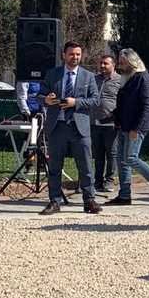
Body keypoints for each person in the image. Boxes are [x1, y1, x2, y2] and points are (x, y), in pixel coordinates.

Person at [36, 41, 102, 215]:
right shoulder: (52, 74)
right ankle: (54, 201)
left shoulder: (88, 76)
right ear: (64, 55)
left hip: (79, 128)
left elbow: (95, 100)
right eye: (72, 54)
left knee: (86, 166)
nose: (75, 57)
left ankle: (89, 200)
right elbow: (39, 96)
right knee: (55, 167)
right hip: (57, 127)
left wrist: (76, 103)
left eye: (78, 54)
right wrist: (46, 100)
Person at [104, 49, 149, 206]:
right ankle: (124, 195)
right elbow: (126, 103)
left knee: (131, 158)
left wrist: (137, 128)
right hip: (124, 125)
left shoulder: (144, 79)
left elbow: (147, 106)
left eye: (121, 62)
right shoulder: (127, 79)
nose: (119, 65)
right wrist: (115, 114)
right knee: (121, 160)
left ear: (131, 62)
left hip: (136, 126)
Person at [90, 55, 122, 192]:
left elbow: (123, 101)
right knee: (98, 153)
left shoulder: (120, 81)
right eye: (101, 63)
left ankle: (110, 180)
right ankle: (98, 181)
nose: (102, 66)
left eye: (106, 63)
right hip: (94, 121)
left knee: (111, 153)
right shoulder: (94, 79)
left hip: (110, 124)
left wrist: (117, 116)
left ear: (113, 65)